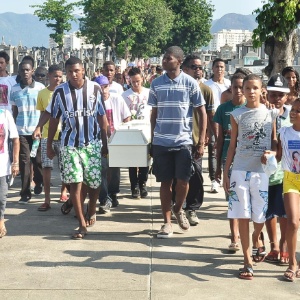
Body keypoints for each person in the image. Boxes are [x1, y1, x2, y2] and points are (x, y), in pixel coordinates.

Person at [223, 74, 278, 280]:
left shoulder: (270, 114)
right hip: (239, 169)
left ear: (262, 89)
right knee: (242, 214)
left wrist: (271, 153)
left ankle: (257, 237)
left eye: (255, 88)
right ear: (242, 90)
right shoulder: (237, 114)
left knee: (259, 217)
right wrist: (226, 172)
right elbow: (232, 145)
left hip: (261, 172)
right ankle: (247, 261)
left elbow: (274, 141)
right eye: (247, 88)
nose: (251, 91)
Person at [148, 46, 207, 238]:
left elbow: (202, 112)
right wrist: (152, 138)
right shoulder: (156, 84)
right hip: (162, 141)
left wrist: (201, 142)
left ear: (179, 61)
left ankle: (178, 208)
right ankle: (166, 223)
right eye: (164, 58)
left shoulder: (190, 83)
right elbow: (153, 114)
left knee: (183, 181)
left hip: (183, 141)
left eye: (169, 58)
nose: (164, 61)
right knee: (165, 183)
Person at [47, 57, 108, 239]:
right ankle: (81, 223)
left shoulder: (95, 89)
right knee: (76, 182)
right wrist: (50, 143)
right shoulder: (59, 92)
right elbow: (53, 119)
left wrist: (106, 143)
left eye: (77, 71)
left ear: (83, 70)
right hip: (69, 145)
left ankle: (92, 208)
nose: (73, 75)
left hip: (92, 144)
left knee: (94, 182)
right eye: (70, 72)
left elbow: (102, 118)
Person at [214, 73, 247, 252]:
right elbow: (219, 140)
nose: (239, 91)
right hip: (229, 158)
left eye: (243, 87)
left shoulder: (252, 109)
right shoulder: (223, 109)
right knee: (232, 200)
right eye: (236, 87)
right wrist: (218, 166)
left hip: (249, 160)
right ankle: (234, 236)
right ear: (231, 88)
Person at [181, 54, 215, 225]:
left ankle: (192, 208)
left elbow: (210, 116)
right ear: (185, 69)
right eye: (195, 67)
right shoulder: (179, 87)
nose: (199, 70)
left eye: (201, 67)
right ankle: (178, 206)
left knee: (196, 176)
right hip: (178, 139)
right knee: (178, 176)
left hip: (196, 140)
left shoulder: (206, 90)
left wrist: (208, 138)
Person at [33, 64, 68, 211]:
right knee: (46, 166)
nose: (58, 79)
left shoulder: (66, 92)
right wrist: (39, 128)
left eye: (60, 76)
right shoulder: (42, 94)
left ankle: (64, 193)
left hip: (63, 135)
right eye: (55, 76)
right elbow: (43, 114)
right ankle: (47, 199)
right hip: (47, 135)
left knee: (65, 167)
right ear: (49, 76)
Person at [263, 74, 291, 265]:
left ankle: (283, 246)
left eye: (281, 95)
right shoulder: (262, 113)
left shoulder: (294, 114)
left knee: (286, 213)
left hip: (288, 172)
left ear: (287, 96)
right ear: (267, 95)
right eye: (273, 94)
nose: (277, 98)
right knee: (269, 212)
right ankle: (273, 246)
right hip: (267, 172)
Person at [10, 56, 44, 204]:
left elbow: (43, 110)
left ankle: (39, 180)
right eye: (22, 70)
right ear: (19, 71)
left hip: (36, 131)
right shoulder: (14, 89)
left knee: (37, 160)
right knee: (24, 161)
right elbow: (14, 110)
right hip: (21, 131)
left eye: (28, 70)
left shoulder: (40, 88)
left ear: (32, 71)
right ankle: (25, 192)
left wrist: (40, 127)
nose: (25, 72)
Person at [95, 75, 131, 213]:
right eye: (100, 88)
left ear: (109, 86)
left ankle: (113, 193)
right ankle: (104, 199)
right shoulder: (93, 101)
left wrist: (124, 133)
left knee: (114, 170)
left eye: (105, 87)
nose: (103, 90)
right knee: (102, 169)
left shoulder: (117, 99)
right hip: (99, 140)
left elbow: (126, 116)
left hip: (116, 139)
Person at [276, 98, 300, 281]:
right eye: (293, 109)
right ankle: (292, 263)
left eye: (298, 111)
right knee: (292, 222)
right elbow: (276, 156)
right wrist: (268, 155)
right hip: (290, 179)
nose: (293, 113)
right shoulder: (283, 132)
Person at [122, 67, 151, 199]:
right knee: (132, 160)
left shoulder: (149, 93)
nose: (136, 84)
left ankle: (142, 183)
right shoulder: (125, 95)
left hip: (146, 130)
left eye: (138, 81)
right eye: (133, 82)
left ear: (142, 79)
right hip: (132, 131)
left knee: (145, 159)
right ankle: (134, 186)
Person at [205, 58, 231, 193]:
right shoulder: (207, 85)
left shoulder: (229, 84)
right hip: (212, 118)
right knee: (214, 149)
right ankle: (214, 179)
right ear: (212, 68)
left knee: (226, 148)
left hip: (227, 119)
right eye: (217, 67)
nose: (219, 69)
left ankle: (225, 174)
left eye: (222, 67)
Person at [102, 61, 124, 204]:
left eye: (111, 70)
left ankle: (113, 193)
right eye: (107, 70)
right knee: (103, 166)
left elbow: (123, 112)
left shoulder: (118, 89)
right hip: (100, 135)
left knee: (115, 167)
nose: (109, 73)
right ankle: (104, 195)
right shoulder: (95, 88)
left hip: (115, 133)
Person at [0, 109, 19, 238]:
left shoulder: (5, 114)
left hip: (2, 165)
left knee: (1, 197)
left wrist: (15, 162)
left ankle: (1, 221)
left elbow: (15, 139)